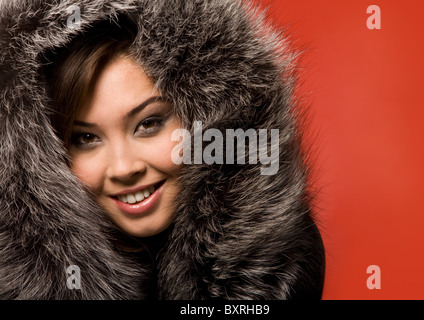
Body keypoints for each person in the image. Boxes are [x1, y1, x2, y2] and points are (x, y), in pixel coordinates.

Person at [0, 0, 325, 299]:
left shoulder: (275, 260)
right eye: (86, 139)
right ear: (43, 156)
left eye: (149, 124)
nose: (124, 168)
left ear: (200, 118)